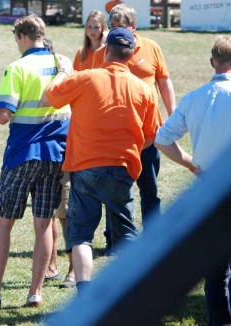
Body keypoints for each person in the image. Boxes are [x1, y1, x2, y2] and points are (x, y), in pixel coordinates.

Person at [0, 14, 71, 308]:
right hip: (56, 154)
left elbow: (3, 115)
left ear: (21, 37)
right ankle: (35, 293)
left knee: (4, 222)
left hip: (23, 153)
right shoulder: (61, 64)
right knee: (43, 225)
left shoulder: (17, 68)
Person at [41, 27, 160, 293]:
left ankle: (85, 295)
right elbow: (152, 136)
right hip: (123, 168)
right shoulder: (144, 88)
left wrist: (63, 70)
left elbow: (52, 95)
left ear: (106, 51)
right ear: (131, 54)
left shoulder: (86, 78)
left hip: (85, 167)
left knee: (81, 236)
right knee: (127, 234)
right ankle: (132, 292)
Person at [154, 35, 231, 326]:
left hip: (207, 188)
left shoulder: (193, 98)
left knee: (216, 269)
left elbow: (162, 140)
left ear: (212, 63)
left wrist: (189, 163)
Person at [92, 4, 177, 255]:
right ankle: (114, 240)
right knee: (115, 189)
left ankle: (154, 239)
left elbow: (164, 81)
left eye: (121, 26)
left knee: (149, 187)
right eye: (113, 26)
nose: (116, 32)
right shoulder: (104, 51)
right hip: (116, 132)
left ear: (133, 27)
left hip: (149, 131)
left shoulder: (151, 47)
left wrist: (173, 117)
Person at [47, 10, 108, 289]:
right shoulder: (80, 54)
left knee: (73, 204)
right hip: (76, 118)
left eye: (97, 26)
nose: (93, 30)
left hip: (93, 125)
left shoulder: (108, 52)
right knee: (60, 205)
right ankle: (55, 264)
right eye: (90, 26)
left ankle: (75, 267)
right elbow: (70, 85)